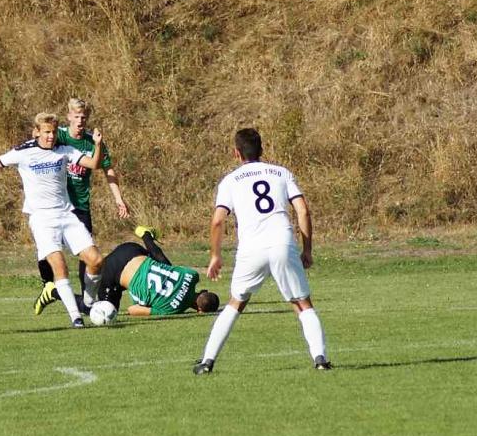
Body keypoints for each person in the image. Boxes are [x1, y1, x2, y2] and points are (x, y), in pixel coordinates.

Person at [193, 128, 331, 374]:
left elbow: (217, 221)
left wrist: (215, 255)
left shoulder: (230, 180)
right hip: (282, 244)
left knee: (235, 304)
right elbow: (303, 210)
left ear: (236, 153)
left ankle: (207, 362)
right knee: (302, 303)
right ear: (262, 149)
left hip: (251, 249)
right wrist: (307, 249)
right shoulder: (281, 173)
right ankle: (320, 359)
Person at [0, 112, 105, 328]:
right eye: (47, 132)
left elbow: (94, 164)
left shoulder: (64, 150)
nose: (51, 137)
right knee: (60, 266)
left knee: (96, 260)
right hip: (42, 219)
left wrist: (97, 144)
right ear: (36, 132)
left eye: (54, 132)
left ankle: (88, 301)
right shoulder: (23, 152)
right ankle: (76, 318)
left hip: (67, 214)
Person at [34, 98, 130, 315]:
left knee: (86, 255)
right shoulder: (58, 137)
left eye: (84, 117)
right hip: (54, 206)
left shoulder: (92, 142)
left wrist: (118, 199)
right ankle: (47, 286)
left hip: (80, 205)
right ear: (68, 117)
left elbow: (108, 169)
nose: (80, 121)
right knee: (48, 249)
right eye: (76, 117)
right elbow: (36, 147)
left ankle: (87, 299)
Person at [98, 226, 220, 316]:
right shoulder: (172, 310)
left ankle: (146, 235)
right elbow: (132, 309)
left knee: (166, 266)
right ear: (199, 310)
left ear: (204, 290)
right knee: (105, 312)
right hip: (113, 273)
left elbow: (168, 267)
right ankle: (78, 304)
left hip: (131, 249)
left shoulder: (192, 276)